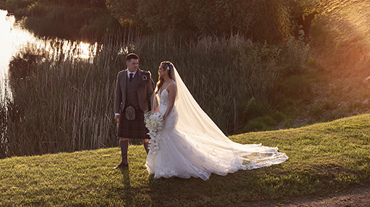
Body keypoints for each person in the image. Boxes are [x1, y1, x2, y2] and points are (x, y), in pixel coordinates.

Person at [145, 61, 288, 180]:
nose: (158, 70)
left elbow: (170, 104)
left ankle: (174, 166)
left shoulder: (172, 85)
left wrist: (164, 117)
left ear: (167, 70)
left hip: (169, 116)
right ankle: (163, 166)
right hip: (160, 115)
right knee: (162, 137)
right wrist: (155, 115)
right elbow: (158, 103)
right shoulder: (160, 84)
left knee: (168, 136)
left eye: (160, 69)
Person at [113, 53, 155, 169]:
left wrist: (151, 112)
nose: (136, 65)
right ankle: (124, 162)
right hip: (126, 111)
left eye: (137, 63)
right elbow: (118, 95)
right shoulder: (121, 75)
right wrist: (117, 112)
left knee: (145, 137)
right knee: (123, 136)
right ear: (127, 63)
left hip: (141, 111)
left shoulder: (145, 76)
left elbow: (151, 95)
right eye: (133, 63)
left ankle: (153, 163)